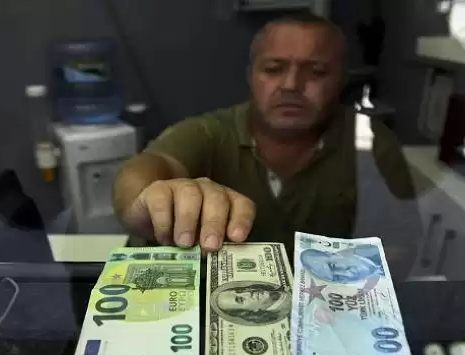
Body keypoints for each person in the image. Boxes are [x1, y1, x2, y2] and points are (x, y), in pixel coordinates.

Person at [114, 14, 359, 255]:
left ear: (341, 80)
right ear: (251, 76)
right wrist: (147, 199)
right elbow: (145, 166)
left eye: (316, 72)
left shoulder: (367, 140)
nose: (291, 85)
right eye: (273, 69)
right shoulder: (210, 132)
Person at [210, 282, 291, 326]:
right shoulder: (283, 311)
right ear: (247, 312)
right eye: (241, 299)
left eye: (240, 291)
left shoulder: (278, 286)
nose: (248, 293)